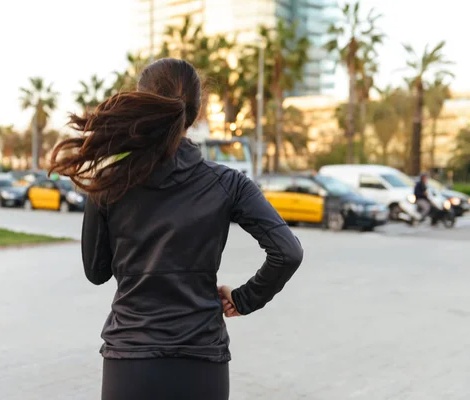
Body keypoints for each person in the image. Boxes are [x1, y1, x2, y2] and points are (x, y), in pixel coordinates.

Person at [49, 58, 304, 400]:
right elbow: (288, 252)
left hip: (130, 362)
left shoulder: (111, 183)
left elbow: (96, 272)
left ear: (141, 107)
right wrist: (243, 299)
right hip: (202, 361)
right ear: (196, 114)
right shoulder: (228, 183)